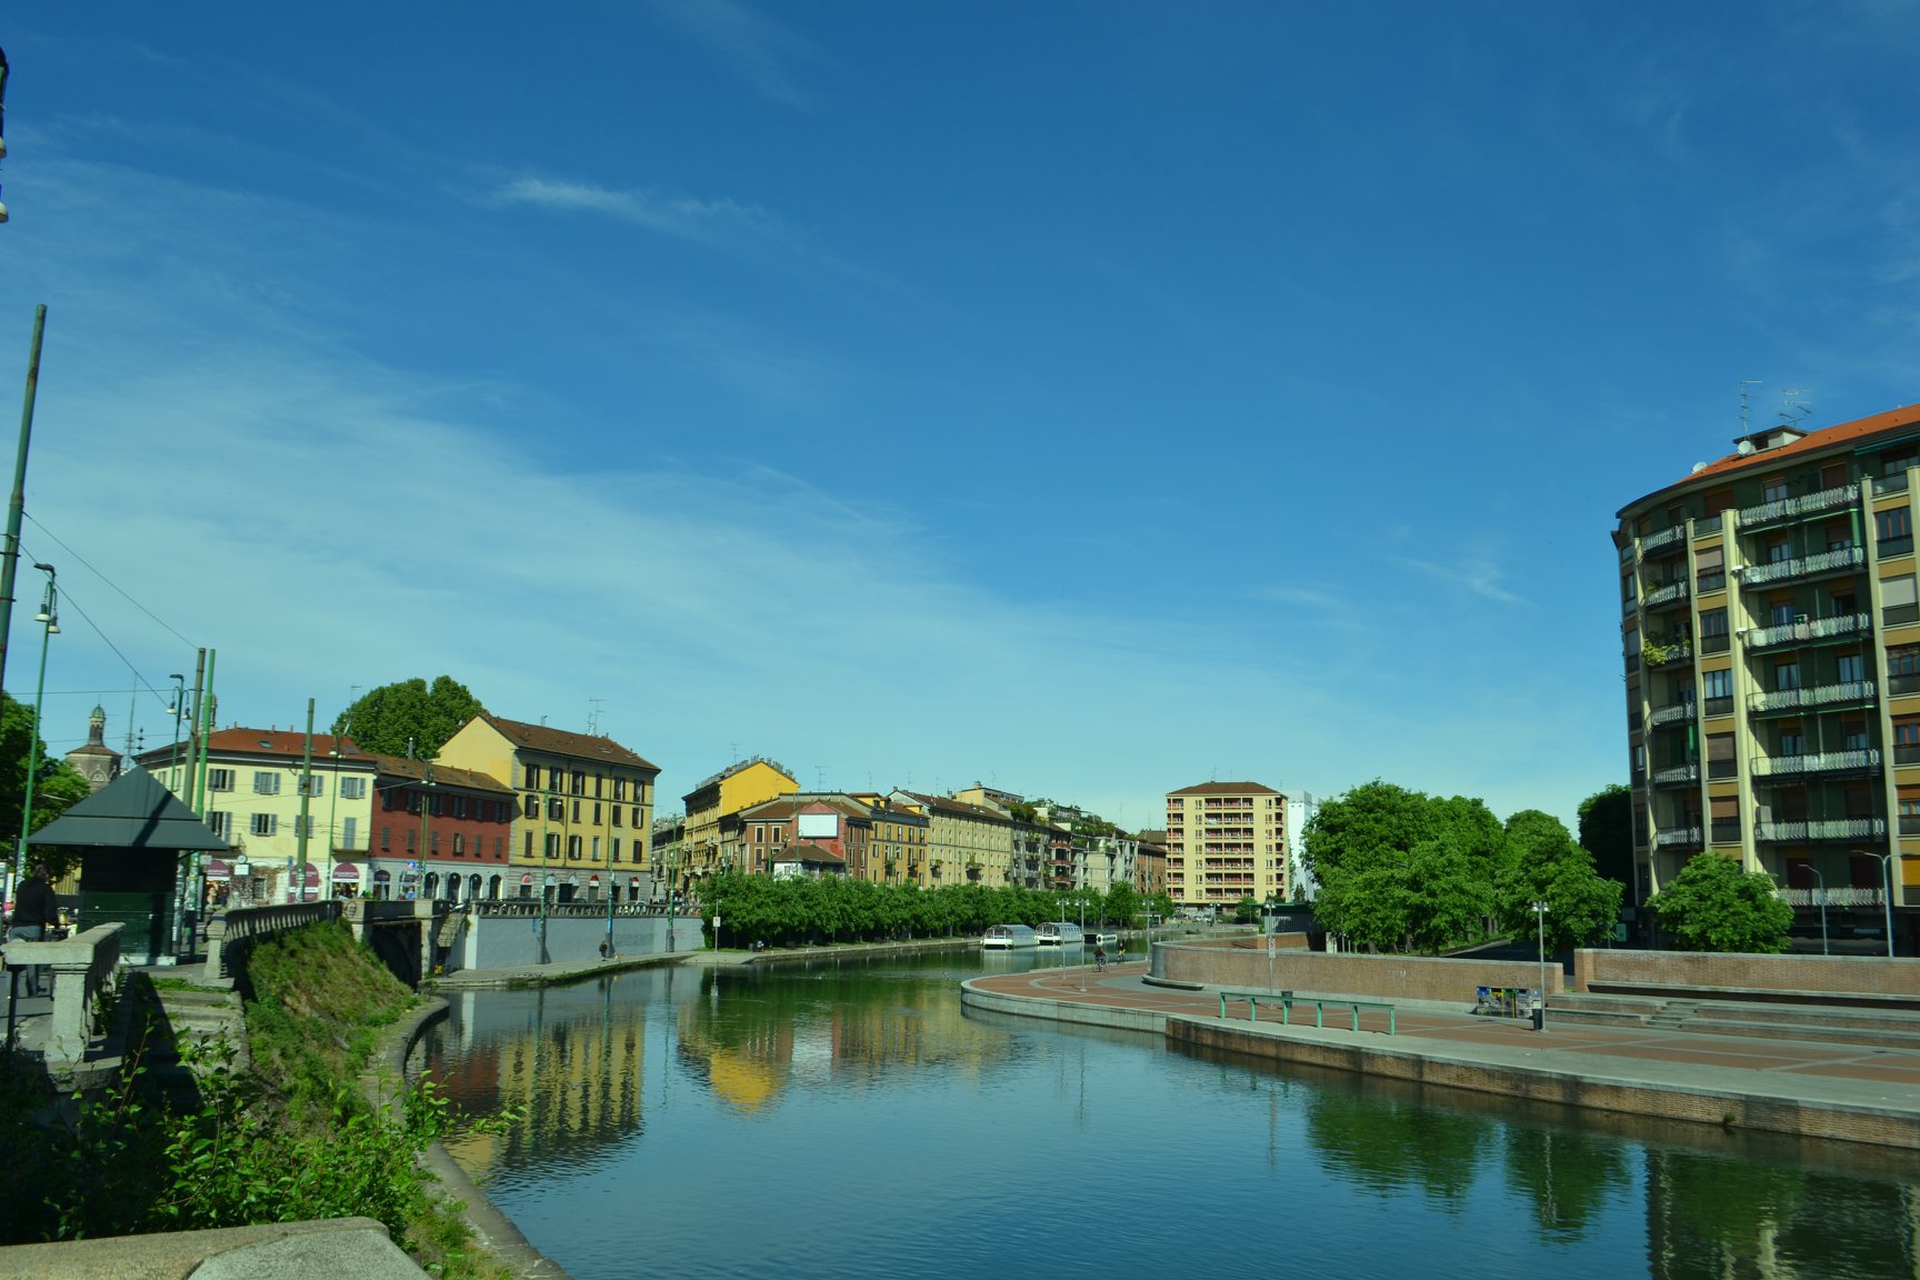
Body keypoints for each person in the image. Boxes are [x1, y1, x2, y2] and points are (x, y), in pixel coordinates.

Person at [7, 864, 59, 998]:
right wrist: (55, 923)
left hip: (16, 927)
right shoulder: (45, 888)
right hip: (33, 927)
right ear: (46, 875)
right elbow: (50, 911)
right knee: (33, 960)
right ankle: (32, 989)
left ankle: (11, 991)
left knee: (13, 960)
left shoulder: (23, 885)